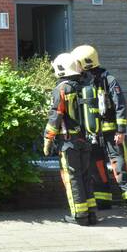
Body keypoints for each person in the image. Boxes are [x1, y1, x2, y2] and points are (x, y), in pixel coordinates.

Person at [71, 44, 127, 215]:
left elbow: (120, 105)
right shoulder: (81, 82)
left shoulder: (108, 79)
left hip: (112, 132)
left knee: (119, 164)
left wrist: (121, 130)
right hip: (93, 134)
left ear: (84, 62)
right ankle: (103, 199)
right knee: (95, 165)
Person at [43, 53, 97, 226]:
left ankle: (79, 216)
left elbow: (55, 116)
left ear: (60, 69)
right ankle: (91, 214)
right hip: (85, 139)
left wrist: (48, 138)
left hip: (68, 142)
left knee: (72, 177)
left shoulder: (62, 88)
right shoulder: (85, 86)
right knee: (85, 176)